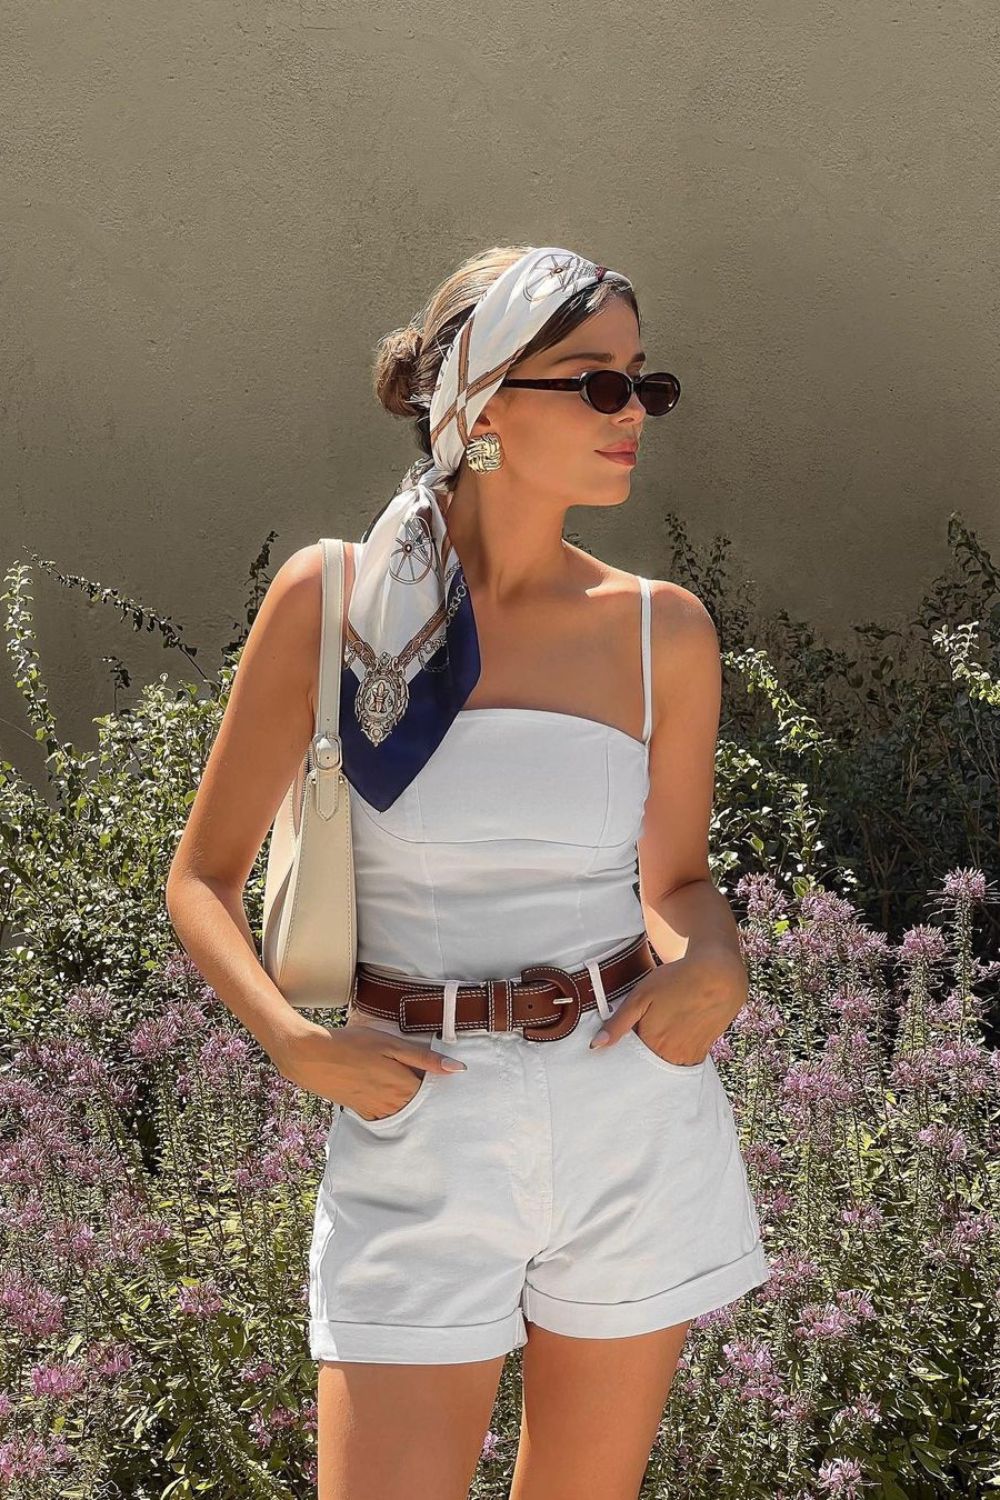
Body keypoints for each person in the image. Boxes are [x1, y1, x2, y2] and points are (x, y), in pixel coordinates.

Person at [165, 244, 772, 1500]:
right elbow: (203, 877)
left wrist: (713, 959)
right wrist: (294, 1042)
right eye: (594, 384)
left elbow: (678, 881)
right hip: (417, 1118)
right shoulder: (328, 600)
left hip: (628, 1116)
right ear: (482, 404)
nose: (632, 416)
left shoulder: (664, 630)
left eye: (642, 386)